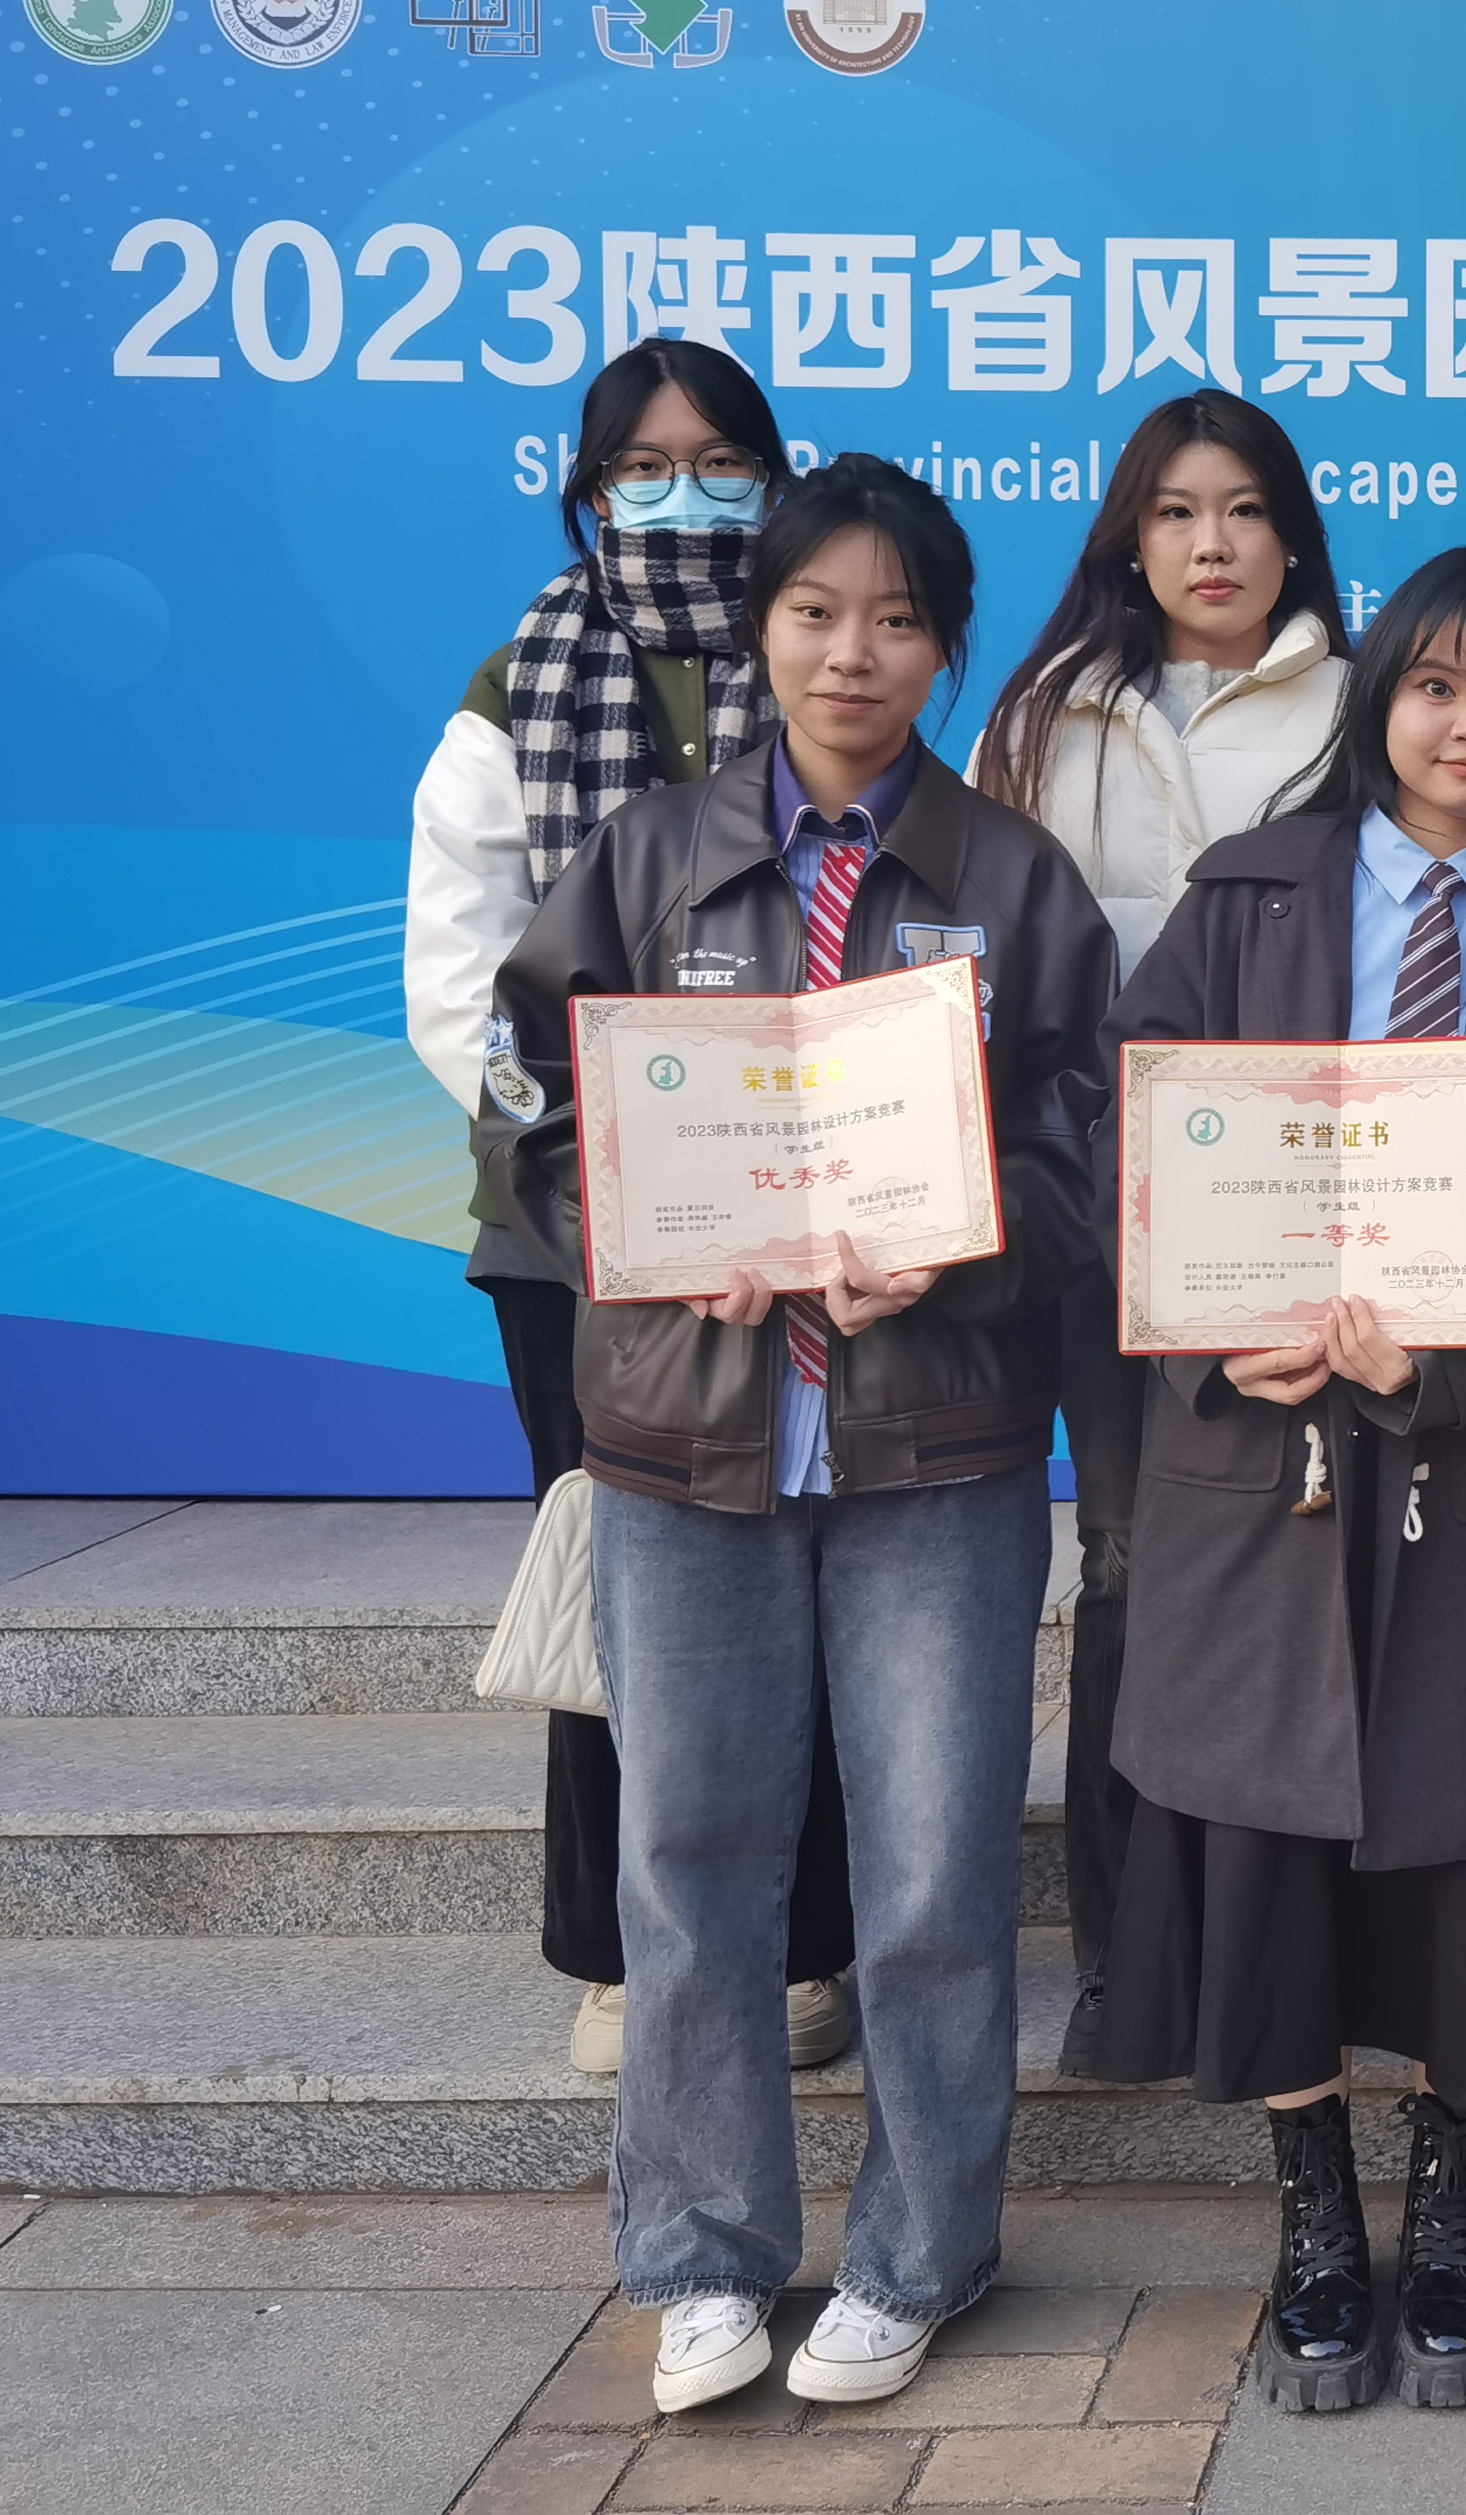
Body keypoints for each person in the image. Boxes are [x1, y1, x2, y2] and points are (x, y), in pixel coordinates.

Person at [486, 458, 1117, 2418]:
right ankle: (702, 2254)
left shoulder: (1013, 879)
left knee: (930, 1879)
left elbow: (1087, 1146)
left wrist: (961, 1249)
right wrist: (656, 1240)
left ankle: (924, 2250)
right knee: (691, 1863)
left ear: (947, 646)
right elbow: (531, 1116)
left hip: (938, 1453)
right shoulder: (647, 860)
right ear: (759, 630)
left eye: (898, 619)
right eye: (816, 613)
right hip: (688, 1451)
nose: (855, 654)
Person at [1088, 548, 1466, 2416]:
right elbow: (1143, 1123)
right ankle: (1315, 2211)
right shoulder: (1250, 892)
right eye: (1442, 687)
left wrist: (1449, 1361)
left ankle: (1453, 2202)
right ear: (1380, 694)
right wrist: (1209, 1324)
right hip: (1263, 1448)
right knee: (1268, 1843)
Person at [401, 337, 855, 2080]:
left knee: (812, 1567)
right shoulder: (515, 690)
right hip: (573, 1224)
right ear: (589, 495)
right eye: (645, 468)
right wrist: (620, 1177)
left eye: (721, 461)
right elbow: (465, 985)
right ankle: (615, 1952)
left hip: (818, 1212)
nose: (686, 497)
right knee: (619, 1577)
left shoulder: (832, 661)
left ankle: (808, 1945)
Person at [967, 388, 1351, 2074]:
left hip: (1305, 1208)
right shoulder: (1043, 721)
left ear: (1293, 537)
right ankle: (1131, 1955)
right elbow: (980, 968)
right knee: (1125, 1556)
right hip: (1098, 1209)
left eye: (1246, 510)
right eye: (1178, 512)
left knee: (1298, 1552)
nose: (1213, 544)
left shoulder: (1367, 706)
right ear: (1130, 536)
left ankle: (1304, 1930)